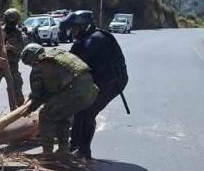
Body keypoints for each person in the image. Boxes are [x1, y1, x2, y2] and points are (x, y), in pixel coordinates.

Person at [21, 43, 98, 157]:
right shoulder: (57, 54)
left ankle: (47, 152)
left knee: (45, 114)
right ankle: (63, 149)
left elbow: (39, 95)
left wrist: (29, 109)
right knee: (62, 115)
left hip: (75, 92)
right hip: (91, 90)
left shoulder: (39, 66)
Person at [70, 20, 129, 162]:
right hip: (100, 79)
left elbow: (77, 60)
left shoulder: (96, 39)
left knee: (89, 112)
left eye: (75, 29)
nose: (72, 33)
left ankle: (84, 151)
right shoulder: (86, 39)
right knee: (79, 110)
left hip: (112, 81)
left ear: (84, 27)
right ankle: (73, 146)